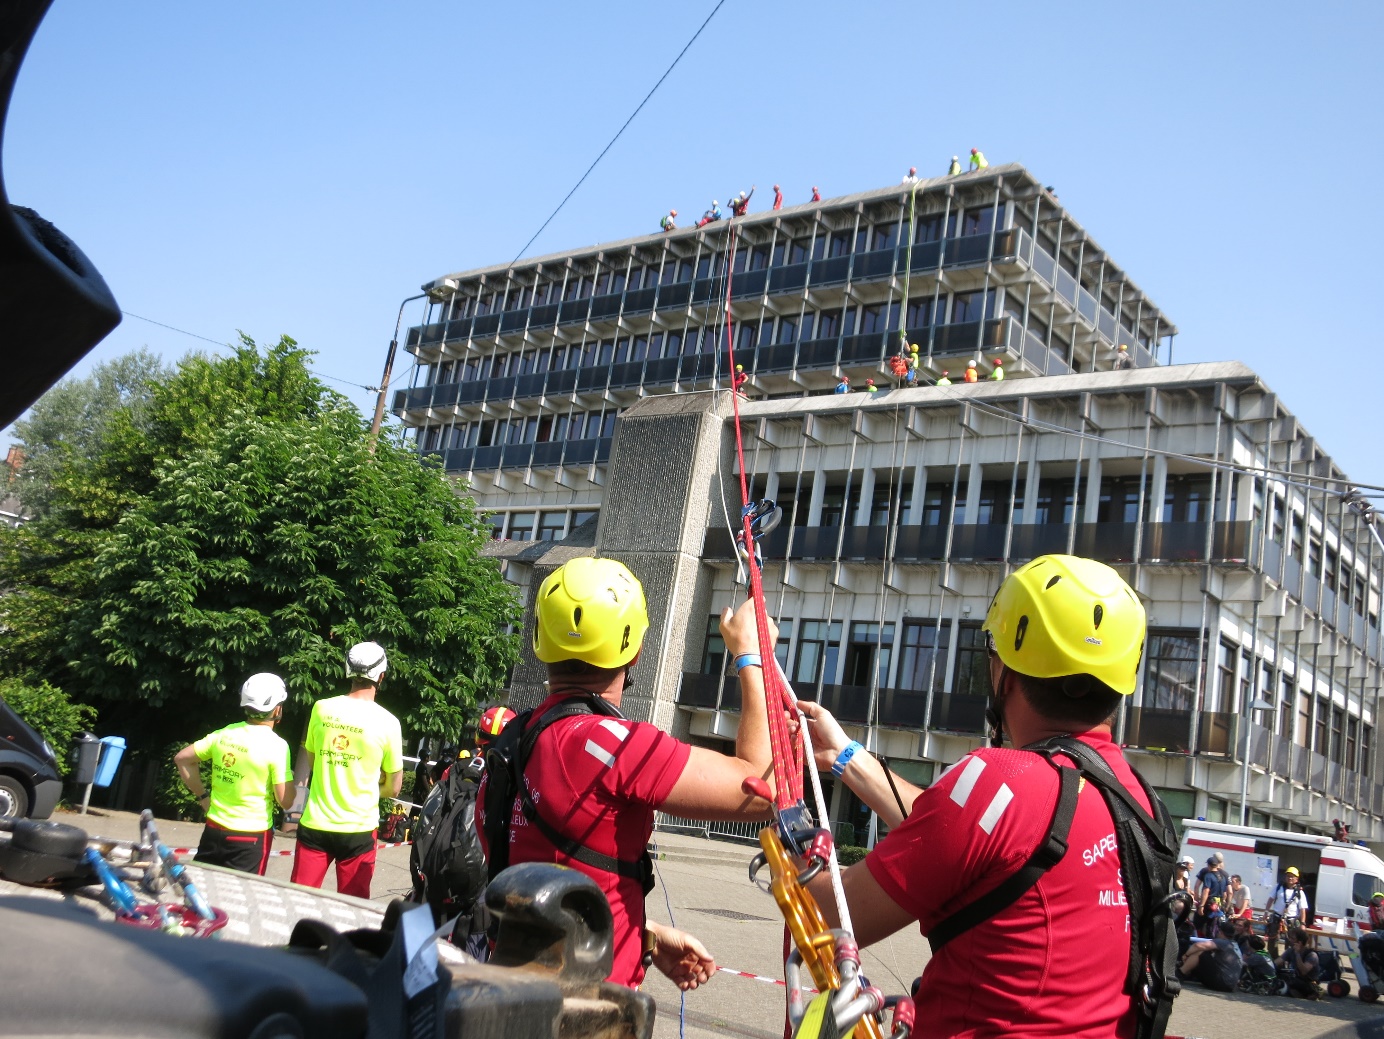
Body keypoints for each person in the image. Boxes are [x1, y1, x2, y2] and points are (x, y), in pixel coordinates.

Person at [799, 554, 1179, 1038]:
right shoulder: (1141, 805)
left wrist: (782, 811)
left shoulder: (997, 782)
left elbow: (822, 921)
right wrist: (845, 755)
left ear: (1004, 671)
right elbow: (971, 845)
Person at [477, 557, 783, 991]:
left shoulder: (511, 743)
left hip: (509, 997)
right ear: (635, 649)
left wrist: (647, 937)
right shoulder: (615, 745)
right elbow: (762, 789)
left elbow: (540, 882)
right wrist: (754, 656)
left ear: (541, 639)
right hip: (591, 1013)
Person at [290, 641, 403, 899]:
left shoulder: (321, 708)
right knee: (353, 909)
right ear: (381, 676)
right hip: (359, 829)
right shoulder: (389, 722)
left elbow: (315, 762)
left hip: (316, 824)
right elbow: (393, 787)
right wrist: (370, 787)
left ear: (348, 670)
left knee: (296, 900)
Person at [174, 673, 294, 875]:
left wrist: (203, 797)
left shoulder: (224, 733)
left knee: (203, 888)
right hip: (250, 836)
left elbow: (182, 759)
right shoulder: (278, 746)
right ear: (277, 708)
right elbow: (285, 801)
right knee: (239, 897)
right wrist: (289, 779)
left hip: (214, 828)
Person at [1178, 920, 1242, 992]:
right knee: (1205, 954)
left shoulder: (1222, 942)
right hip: (1230, 985)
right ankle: (1187, 974)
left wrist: (1186, 955)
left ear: (1221, 932)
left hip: (1222, 982)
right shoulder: (1234, 944)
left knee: (1200, 951)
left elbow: (1197, 945)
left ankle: (1180, 974)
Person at [1264, 866, 1308, 956]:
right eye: (1288, 876)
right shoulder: (1279, 887)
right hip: (1277, 918)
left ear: (1296, 879)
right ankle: (1274, 961)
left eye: (1292, 876)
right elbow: (1270, 899)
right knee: (1272, 942)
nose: (1290, 878)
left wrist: (1303, 924)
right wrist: (1266, 912)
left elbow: (1302, 909)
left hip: (1291, 921)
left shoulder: (1300, 892)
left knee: (1291, 944)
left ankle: (1287, 963)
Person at [1277, 927, 1322, 999]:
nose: (1290, 940)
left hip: (1308, 982)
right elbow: (1277, 962)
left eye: (1292, 939)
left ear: (1299, 942)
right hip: (1296, 978)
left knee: (1292, 982)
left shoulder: (1312, 955)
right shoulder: (1290, 951)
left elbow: (1304, 971)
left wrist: (1297, 954)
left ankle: (1312, 993)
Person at [1194, 853, 1229, 935]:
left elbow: (1205, 890)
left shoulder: (1208, 875)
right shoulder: (1223, 876)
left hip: (1209, 903)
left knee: (1198, 922)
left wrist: (1201, 905)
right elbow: (1226, 893)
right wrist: (1224, 903)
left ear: (1209, 865)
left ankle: (1197, 940)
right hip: (1218, 904)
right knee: (1213, 924)